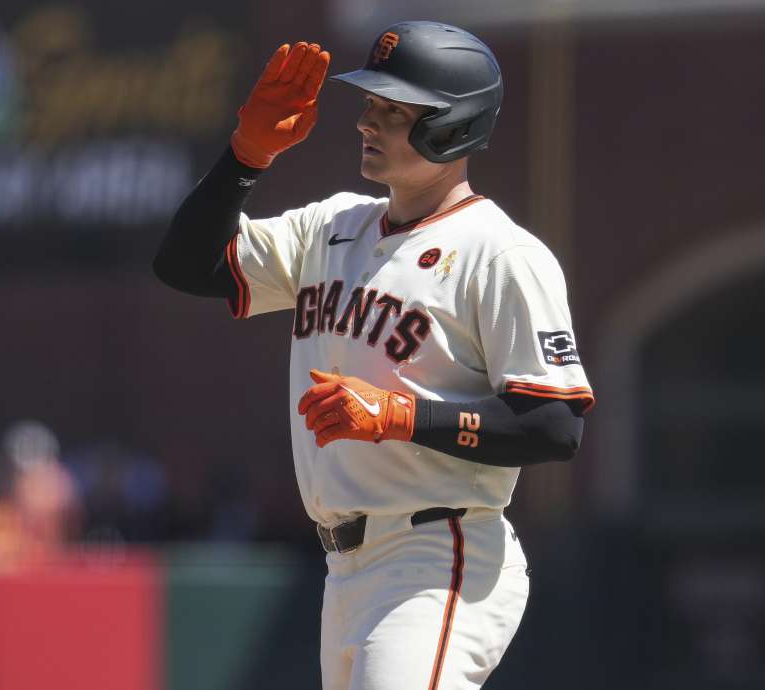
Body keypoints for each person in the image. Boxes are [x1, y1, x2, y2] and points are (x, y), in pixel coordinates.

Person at [154, 21, 594, 690]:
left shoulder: (499, 254)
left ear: (454, 124)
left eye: (394, 110)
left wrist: (400, 415)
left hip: (438, 554)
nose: (369, 122)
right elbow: (185, 265)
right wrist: (246, 155)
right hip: (344, 569)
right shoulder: (331, 227)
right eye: (369, 104)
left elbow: (553, 425)